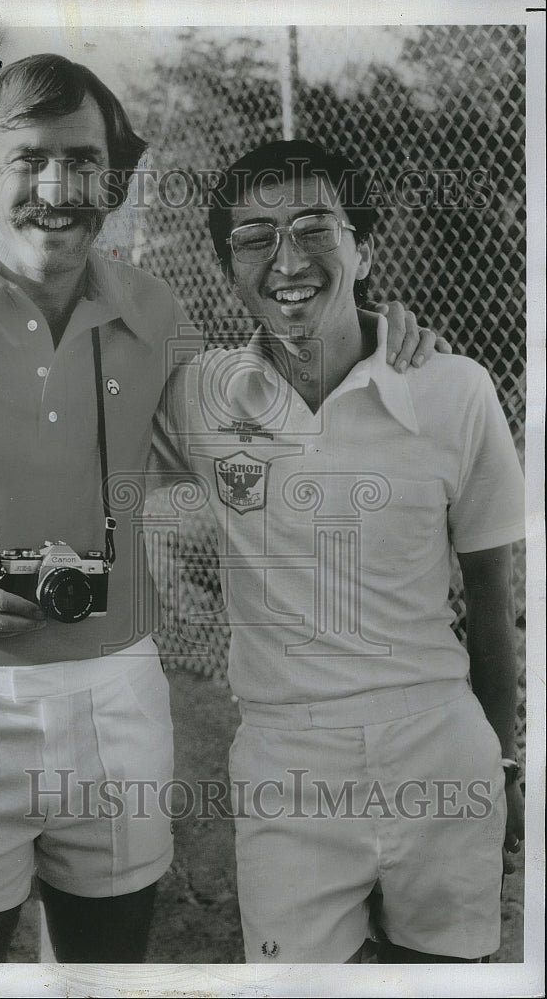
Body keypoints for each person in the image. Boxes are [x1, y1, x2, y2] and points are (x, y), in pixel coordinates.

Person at [0, 57, 438, 963]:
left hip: (119, 691)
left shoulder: (154, 310)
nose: (57, 188)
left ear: (115, 180)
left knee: (102, 970)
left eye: (84, 162)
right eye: (28, 159)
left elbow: (270, 406)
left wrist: (377, 329)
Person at [147, 139, 525, 964]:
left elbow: (492, 612)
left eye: (316, 226)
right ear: (227, 267)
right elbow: (75, 383)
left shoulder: (454, 389)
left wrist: (497, 765)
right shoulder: (200, 397)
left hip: (437, 741)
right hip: (285, 757)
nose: (287, 258)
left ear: (363, 245)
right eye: (252, 237)